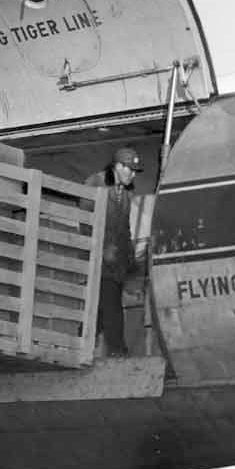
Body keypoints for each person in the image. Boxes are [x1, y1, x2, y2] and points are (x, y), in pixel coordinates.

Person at [86, 146, 142, 356]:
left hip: (116, 261)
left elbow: (124, 227)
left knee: (100, 309)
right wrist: (100, 249)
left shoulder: (126, 192)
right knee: (111, 305)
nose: (133, 175)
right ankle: (118, 350)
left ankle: (79, 344)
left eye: (135, 171)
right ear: (117, 166)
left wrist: (130, 258)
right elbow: (85, 220)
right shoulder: (96, 183)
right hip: (98, 259)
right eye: (130, 169)